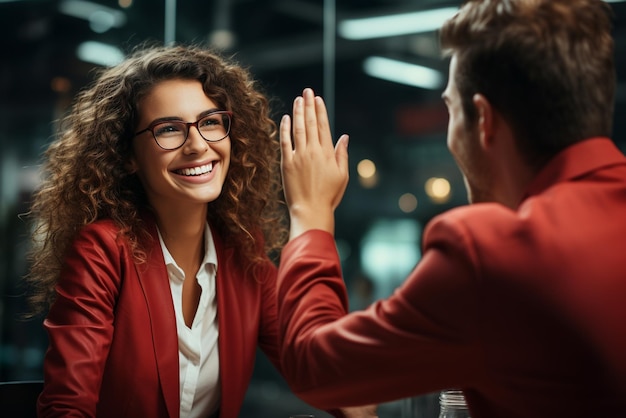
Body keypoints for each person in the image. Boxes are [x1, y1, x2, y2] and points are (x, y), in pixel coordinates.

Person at [276, 0, 626, 417]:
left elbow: (314, 365)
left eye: (451, 110)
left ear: (482, 119)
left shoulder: (494, 255)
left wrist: (310, 213)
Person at [24, 43, 375, 418]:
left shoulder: (243, 252)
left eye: (210, 122)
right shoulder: (103, 249)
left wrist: (316, 212)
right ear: (127, 157)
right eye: (169, 129)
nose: (197, 145)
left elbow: (330, 378)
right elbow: (66, 409)